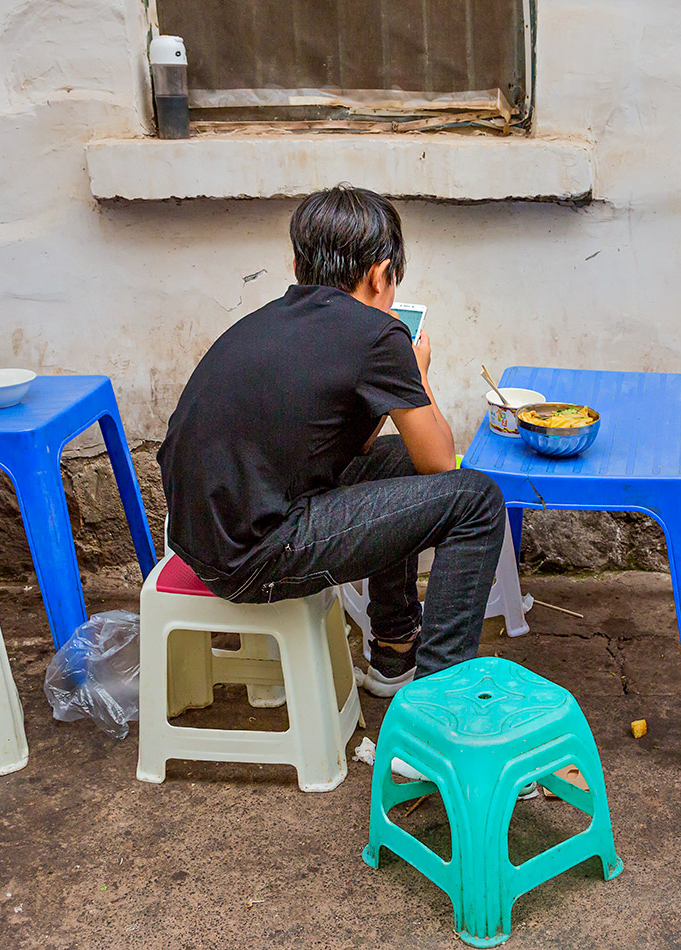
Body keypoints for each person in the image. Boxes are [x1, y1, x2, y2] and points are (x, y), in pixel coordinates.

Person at [157, 184, 505, 695]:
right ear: (380, 272)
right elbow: (439, 465)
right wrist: (417, 373)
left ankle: (395, 650)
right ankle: (436, 708)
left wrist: (385, 390)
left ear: (299, 266)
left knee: (396, 459)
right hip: (255, 557)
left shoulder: (272, 319)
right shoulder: (378, 335)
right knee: (476, 500)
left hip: (201, 541)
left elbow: (356, 449)